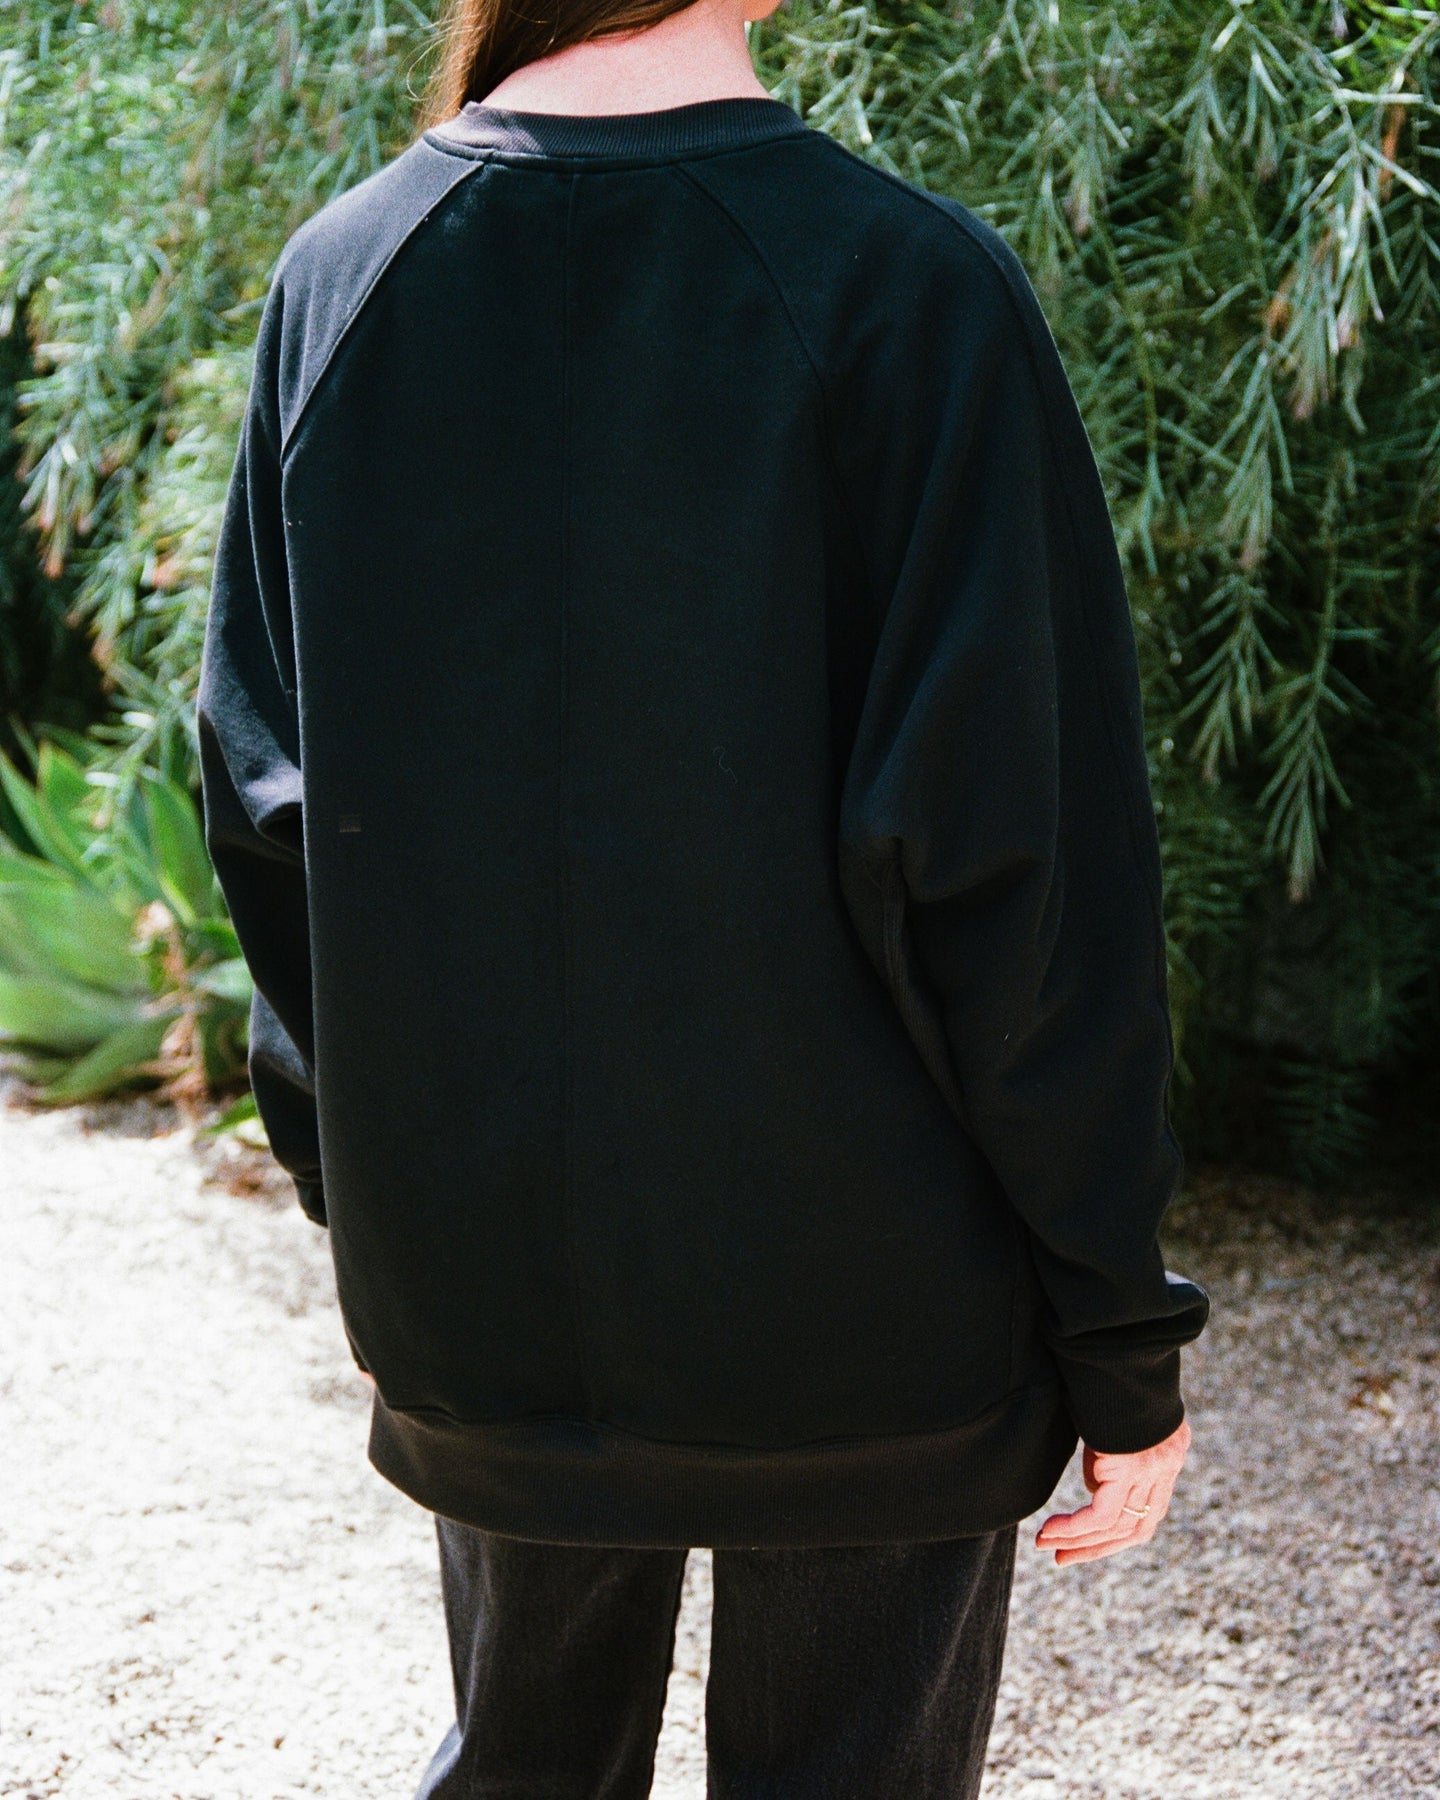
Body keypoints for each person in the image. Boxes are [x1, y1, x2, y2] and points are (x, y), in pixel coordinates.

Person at [195, 0, 1211, 1792]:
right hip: (875, 1313)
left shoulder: (343, 279)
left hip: (489, 1289)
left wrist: (385, 1213)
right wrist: (1117, 1330)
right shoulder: (913, 286)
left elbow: (271, 815)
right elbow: (1022, 870)